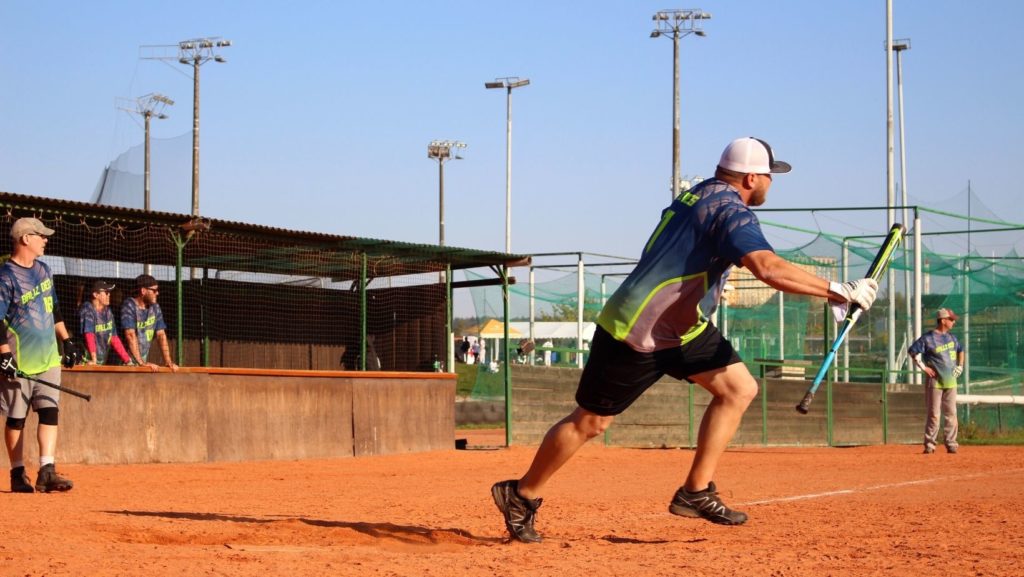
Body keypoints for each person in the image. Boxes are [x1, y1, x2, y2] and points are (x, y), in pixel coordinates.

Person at [490, 137, 880, 542]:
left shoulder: (701, 193)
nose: (770, 183)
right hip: (637, 329)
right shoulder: (732, 212)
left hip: (682, 326)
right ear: (751, 177)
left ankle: (695, 491)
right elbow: (767, 267)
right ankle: (521, 493)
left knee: (738, 388)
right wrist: (838, 290)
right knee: (591, 421)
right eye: (768, 175)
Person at [0, 217, 82, 492]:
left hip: (48, 357)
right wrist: (3, 353)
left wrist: (67, 340)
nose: (45, 240)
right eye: (41, 236)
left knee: (49, 412)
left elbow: (53, 309)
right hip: (20, 360)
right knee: (16, 418)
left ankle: (47, 471)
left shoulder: (44, 271)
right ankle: (17, 472)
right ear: (25, 239)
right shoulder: (6, 276)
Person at [909, 308, 965, 455]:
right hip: (935, 382)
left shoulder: (952, 338)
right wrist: (923, 367)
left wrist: (960, 366)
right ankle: (930, 445)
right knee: (934, 414)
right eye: (951, 319)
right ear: (943, 320)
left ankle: (951, 444)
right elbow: (913, 351)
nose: (953, 322)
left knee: (951, 413)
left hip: (951, 382)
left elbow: (961, 349)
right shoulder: (928, 338)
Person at [120, 274, 179, 372]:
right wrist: (141, 362)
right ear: (143, 291)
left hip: (140, 363)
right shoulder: (129, 306)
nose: (157, 293)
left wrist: (168, 361)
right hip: (124, 364)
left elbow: (161, 335)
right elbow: (130, 335)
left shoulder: (155, 308)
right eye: (154, 290)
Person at [78, 280, 133, 366]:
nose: (109, 295)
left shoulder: (108, 312)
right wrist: (93, 360)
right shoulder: (87, 309)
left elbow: (114, 338)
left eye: (109, 292)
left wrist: (127, 360)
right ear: (96, 295)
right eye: (106, 292)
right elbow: (89, 335)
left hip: (99, 362)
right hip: (85, 362)